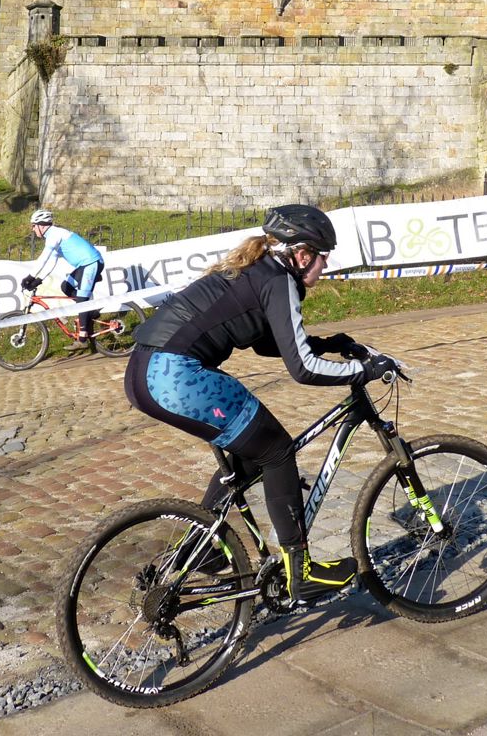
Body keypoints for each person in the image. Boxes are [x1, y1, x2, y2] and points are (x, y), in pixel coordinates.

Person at [125, 204, 399, 604]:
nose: (324, 268)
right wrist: (364, 372)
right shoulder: (279, 281)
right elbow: (302, 369)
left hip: (146, 370)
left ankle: (198, 549)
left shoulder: (260, 271)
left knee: (249, 454)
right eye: (323, 258)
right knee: (276, 450)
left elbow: (268, 342)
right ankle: (301, 573)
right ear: (303, 254)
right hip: (174, 374)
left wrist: (332, 344)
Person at [20, 210, 105, 351]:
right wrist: (38, 280)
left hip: (91, 263)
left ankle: (82, 339)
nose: (32, 229)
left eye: (33, 226)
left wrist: (30, 276)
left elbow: (43, 258)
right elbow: (51, 261)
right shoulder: (52, 236)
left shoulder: (54, 234)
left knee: (82, 300)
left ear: (41, 225)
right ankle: (90, 313)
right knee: (66, 287)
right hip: (84, 265)